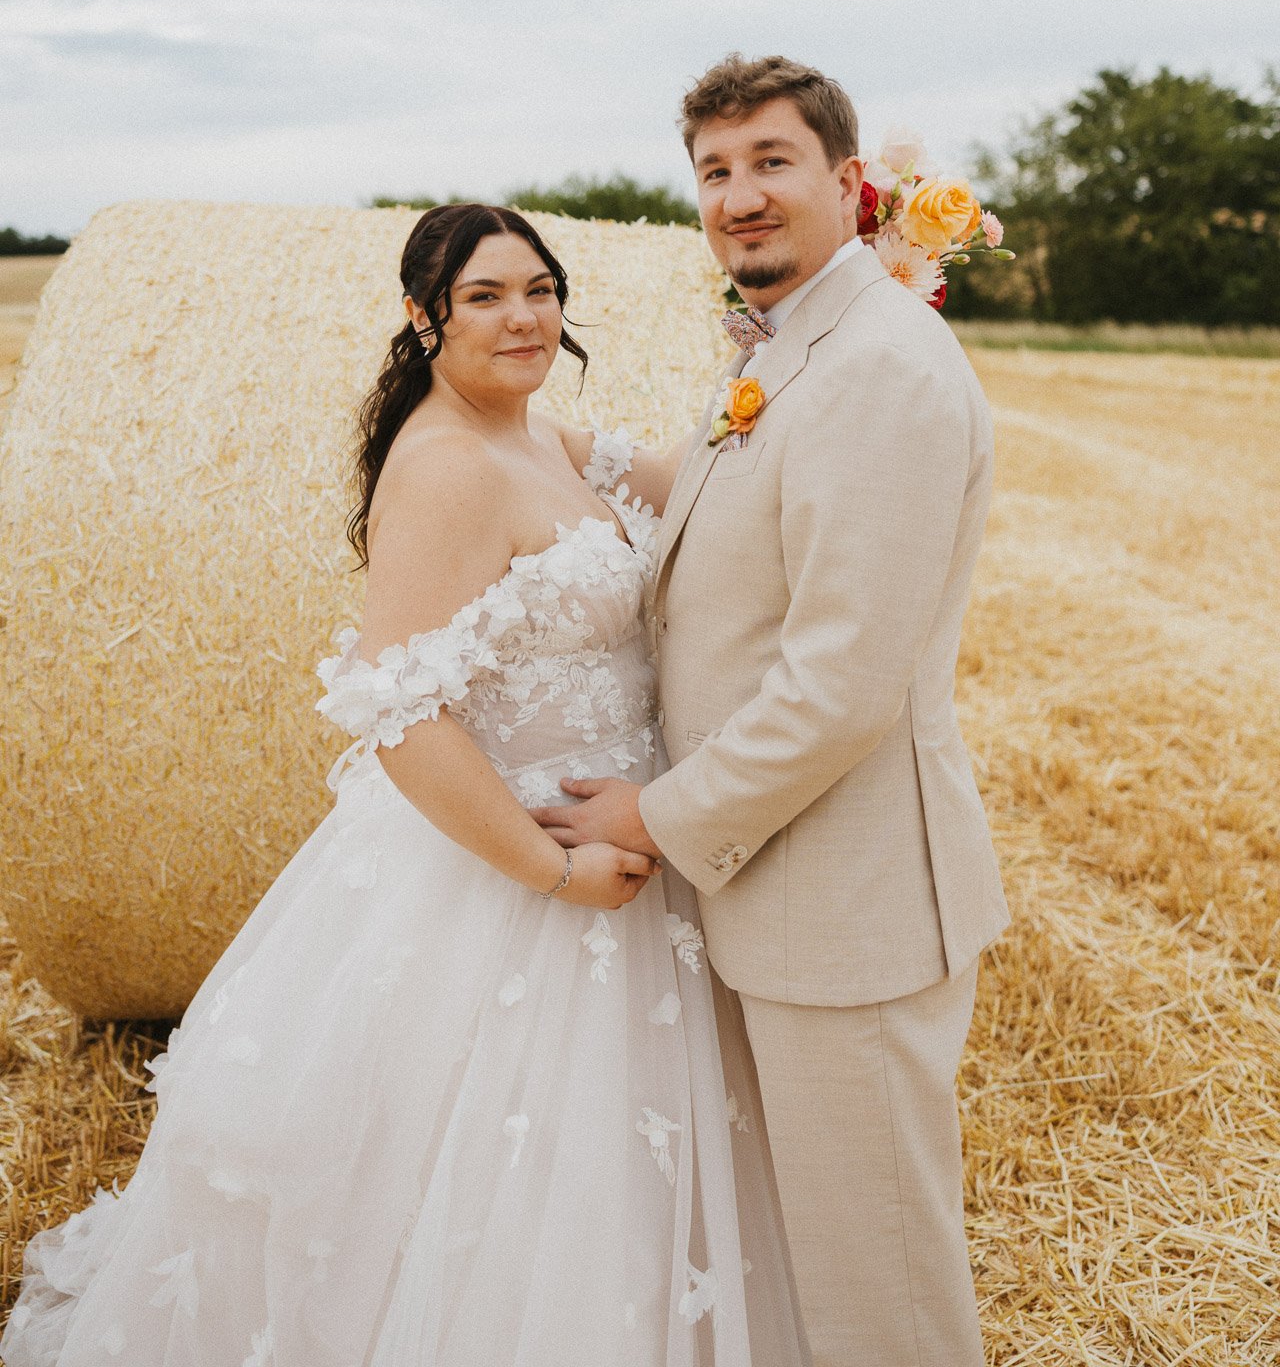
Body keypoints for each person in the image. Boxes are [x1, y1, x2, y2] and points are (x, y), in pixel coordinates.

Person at [2, 203, 811, 1367]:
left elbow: (691, 472)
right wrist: (551, 868)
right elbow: (396, 713)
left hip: (629, 852)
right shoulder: (442, 467)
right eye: (484, 296)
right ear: (421, 316)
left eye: (539, 288)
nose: (523, 316)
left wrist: (791, 347)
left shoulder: (547, 440)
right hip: (518, 870)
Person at [534, 55, 1010, 1367]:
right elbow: (723, 481)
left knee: (881, 1291)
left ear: (850, 184)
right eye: (717, 170)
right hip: (788, 899)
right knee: (815, 1276)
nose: (741, 196)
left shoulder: (886, 370)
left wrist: (656, 811)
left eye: (773, 162)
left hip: (850, 914)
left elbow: (840, 685)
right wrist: (543, 439)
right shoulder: (794, 341)